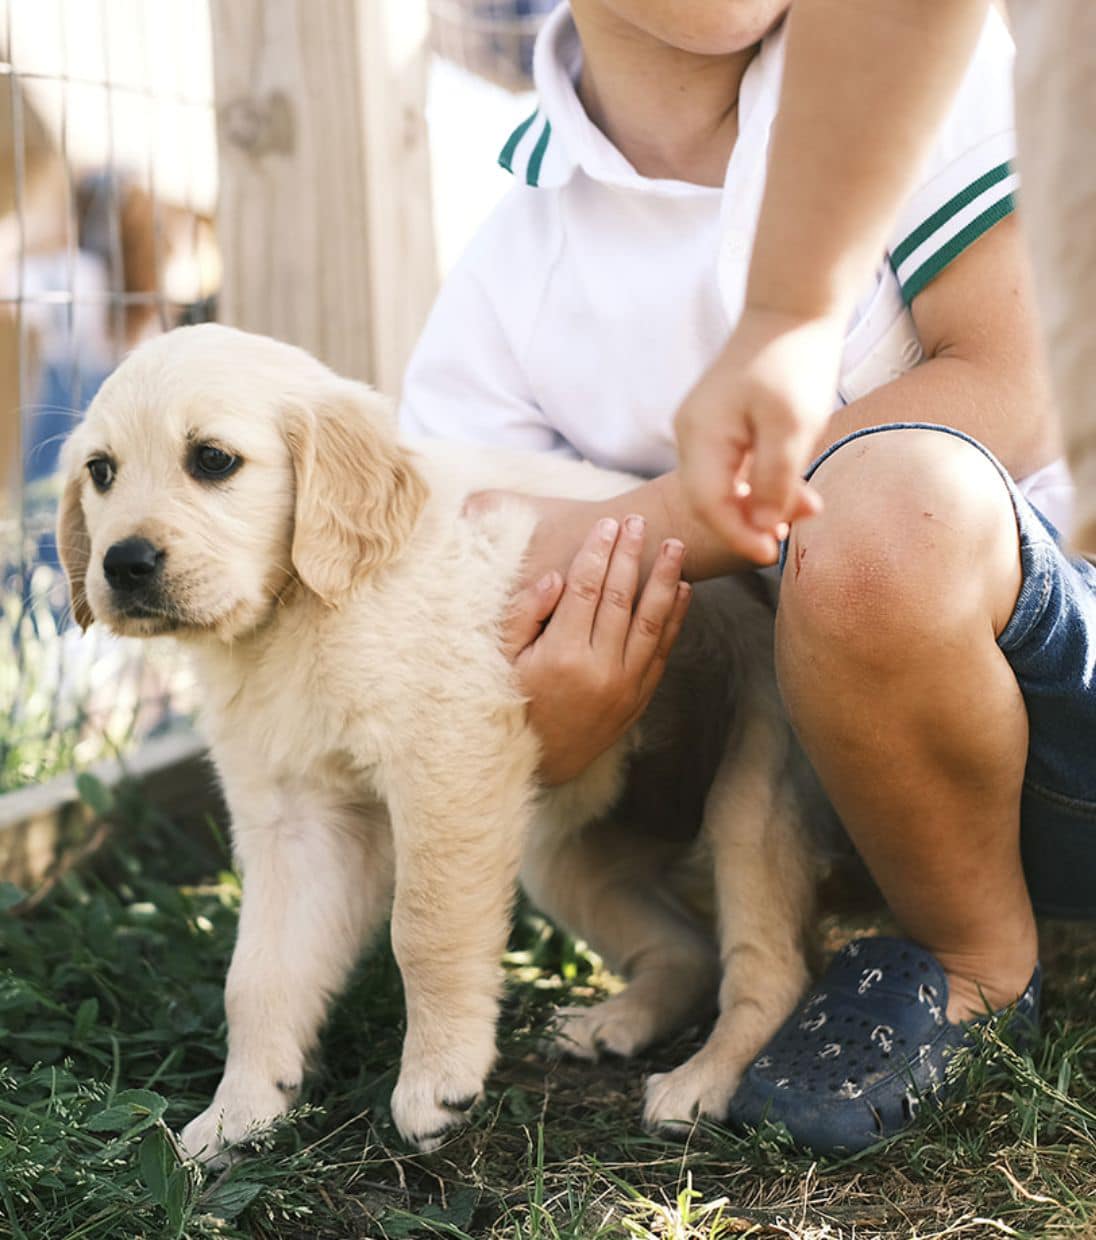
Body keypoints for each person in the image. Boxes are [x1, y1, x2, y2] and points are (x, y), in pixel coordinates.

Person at [400, 0, 1084, 1152]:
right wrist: (545, 735)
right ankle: (747, 948)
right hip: (804, 786)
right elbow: (474, 603)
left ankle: (969, 956)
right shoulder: (507, 267)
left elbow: (1023, 384)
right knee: (496, 577)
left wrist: (659, 513)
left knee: (876, 511)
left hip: (1057, 719)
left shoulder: (910, 67)